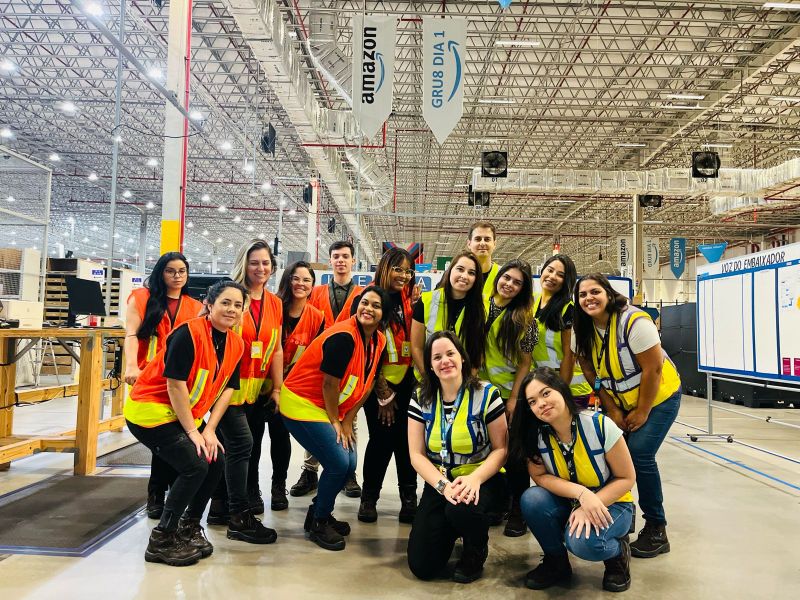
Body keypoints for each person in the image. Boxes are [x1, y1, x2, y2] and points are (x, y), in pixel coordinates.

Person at [124, 280, 248, 566]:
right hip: (150, 409)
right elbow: (175, 386)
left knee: (215, 458)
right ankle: (162, 538)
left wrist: (211, 429)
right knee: (195, 466)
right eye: (225, 303)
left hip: (182, 413)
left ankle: (190, 527)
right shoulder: (188, 333)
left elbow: (229, 387)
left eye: (237, 305)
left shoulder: (235, 343)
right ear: (209, 305)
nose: (231, 310)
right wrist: (193, 431)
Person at [572, 273, 681, 559]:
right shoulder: (581, 329)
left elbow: (653, 369)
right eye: (582, 295)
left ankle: (657, 528)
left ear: (608, 294)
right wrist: (613, 409)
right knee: (615, 456)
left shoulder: (634, 322)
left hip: (659, 399)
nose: (588, 298)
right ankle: (623, 517)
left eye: (594, 292)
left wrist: (643, 410)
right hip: (622, 404)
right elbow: (590, 373)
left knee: (640, 454)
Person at [280, 287, 388, 551]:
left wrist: (348, 419)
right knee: (339, 462)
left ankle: (319, 511)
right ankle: (318, 522)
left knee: (349, 462)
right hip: (302, 402)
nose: (368, 309)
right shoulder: (344, 337)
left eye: (376, 305)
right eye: (364, 303)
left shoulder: (379, 341)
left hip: (331, 408)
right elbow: (330, 384)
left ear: (383, 314)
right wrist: (335, 421)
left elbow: (367, 383)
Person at [510, 368, 636, 592]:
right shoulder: (535, 436)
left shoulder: (600, 425)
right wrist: (581, 494)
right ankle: (556, 562)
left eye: (546, 393)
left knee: (581, 542)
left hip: (613, 503)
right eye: (532, 401)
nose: (541, 403)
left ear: (561, 389)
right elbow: (539, 476)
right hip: (572, 501)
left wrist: (591, 501)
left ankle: (617, 554)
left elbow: (627, 478)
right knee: (532, 499)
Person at [406, 331, 508, 584]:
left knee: (462, 511)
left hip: (482, 480)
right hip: (441, 482)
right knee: (422, 567)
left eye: (450, 353)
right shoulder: (421, 397)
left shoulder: (486, 394)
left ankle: (476, 547)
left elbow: (501, 450)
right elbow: (416, 455)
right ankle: (451, 527)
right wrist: (442, 486)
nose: (445, 361)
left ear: (462, 357)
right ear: (430, 365)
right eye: (437, 357)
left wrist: (475, 479)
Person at [207, 239, 282, 545]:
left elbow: (275, 347)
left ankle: (223, 506)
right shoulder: (233, 296)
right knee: (239, 445)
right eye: (254, 262)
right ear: (244, 263)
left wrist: (276, 387)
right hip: (227, 389)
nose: (260, 268)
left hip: (256, 392)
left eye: (265, 263)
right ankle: (235, 513)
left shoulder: (275, 303)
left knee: (243, 449)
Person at [123, 252, 202, 520]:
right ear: (160, 272)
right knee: (163, 438)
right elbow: (132, 334)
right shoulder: (142, 298)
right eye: (171, 271)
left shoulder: (194, 306)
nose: (177, 276)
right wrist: (131, 366)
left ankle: (162, 494)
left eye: (182, 271)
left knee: (171, 438)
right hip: (147, 379)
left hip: (178, 382)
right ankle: (157, 494)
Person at [292, 240, 364, 498]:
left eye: (345, 256)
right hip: (317, 367)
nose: (341, 260)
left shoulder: (362, 295)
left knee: (348, 419)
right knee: (316, 418)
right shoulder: (317, 292)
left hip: (349, 368)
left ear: (353, 260)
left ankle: (348, 473)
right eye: (336, 256)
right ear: (330, 260)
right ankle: (310, 471)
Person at [356, 248, 419, 524]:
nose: (403, 275)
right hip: (377, 386)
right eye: (398, 269)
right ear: (384, 268)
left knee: (409, 444)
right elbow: (365, 348)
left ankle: (409, 498)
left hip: (409, 385)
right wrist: (383, 393)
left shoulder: (410, 299)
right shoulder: (370, 299)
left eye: (408, 270)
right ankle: (369, 499)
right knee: (381, 442)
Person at [479, 259, 538, 537]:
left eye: (517, 282)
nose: (510, 284)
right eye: (507, 278)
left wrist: (514, 399)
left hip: (509, 395)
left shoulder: (527, 319)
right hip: (479, 392)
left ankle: (519, 511)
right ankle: (498, 502)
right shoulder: (479, 303)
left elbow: (526, 363)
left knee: (513, 454)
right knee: (486, 450)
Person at [410, 250, 486, 378]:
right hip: (428, 381)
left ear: (476, 279)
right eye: (460, 269)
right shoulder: (426, 301)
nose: (464, 276)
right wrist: (429, 379)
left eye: (471, 273)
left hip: (462, 383)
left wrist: (466, 382)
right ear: (450, 271)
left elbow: (478, 352)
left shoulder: (481, 308)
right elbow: (416, 347)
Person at [532, 254, 593, 407]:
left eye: (560, 275)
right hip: (544, 384)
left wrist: (560, 392)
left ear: (567, 281)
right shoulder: (533, 302)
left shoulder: (569, 310)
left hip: (570, 390)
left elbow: (569, 356)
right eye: (550, 270)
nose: (552, 276)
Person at [466, 221, 499, 298]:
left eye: (487, 239)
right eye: (478, 239)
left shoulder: (503, 275)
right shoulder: (456, 274)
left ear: (494, 244)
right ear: (469, 244)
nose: (482, 243)